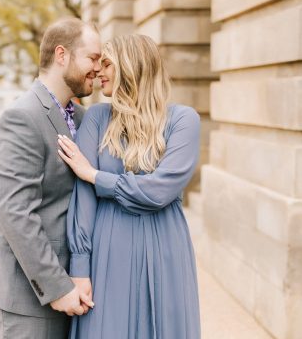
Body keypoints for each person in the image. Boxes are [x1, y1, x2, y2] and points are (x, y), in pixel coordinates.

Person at [57, 34, 201, 338]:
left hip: (165, 244)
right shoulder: (97, 118)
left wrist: (95, 176)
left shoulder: (183, 120)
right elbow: (82, 199)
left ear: (131, 67)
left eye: (107, 63)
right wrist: (80, 267)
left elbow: (160, 191)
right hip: (109, 244)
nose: (98, 72)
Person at [0, 18, 101, 339]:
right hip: (30, 296)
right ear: (62, 55)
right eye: (92, 58)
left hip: (75, 286)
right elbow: (15, 213)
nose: (99, 69)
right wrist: (58, 287)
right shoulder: (22, 118)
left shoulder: (83, 117)